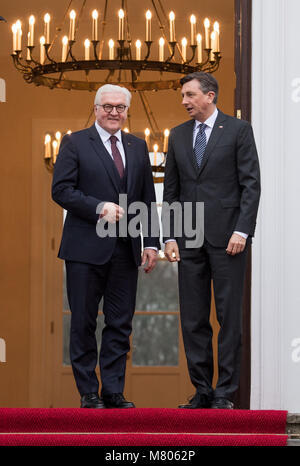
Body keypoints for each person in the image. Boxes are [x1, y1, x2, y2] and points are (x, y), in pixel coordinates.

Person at [52, 84, 159, 408]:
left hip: (125, 251)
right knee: (83, 320)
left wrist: (151, 243)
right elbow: (61, 190)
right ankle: (88, 392)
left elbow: (146, 200)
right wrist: (100, 207)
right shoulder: (74, 142)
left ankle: (113, 391)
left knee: (120, 323)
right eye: (108, 106)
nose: (114, 112)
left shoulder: (137, 146)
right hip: (85, 250)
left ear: (127, 111)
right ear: (96, 108)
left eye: (120, 107)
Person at [163, 72, 260, 409]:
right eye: (183, 97)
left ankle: (225, 392)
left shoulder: (238, 130)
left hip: (228, 239)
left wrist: (242, 230)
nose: (185, 102)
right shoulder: (176, 136)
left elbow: (251, 185)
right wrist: (170, 235)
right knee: (193, 318)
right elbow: (171, 193)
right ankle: (203, 390)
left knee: (229, 317)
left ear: (210, 95)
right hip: (188, 239)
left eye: (190, 95)